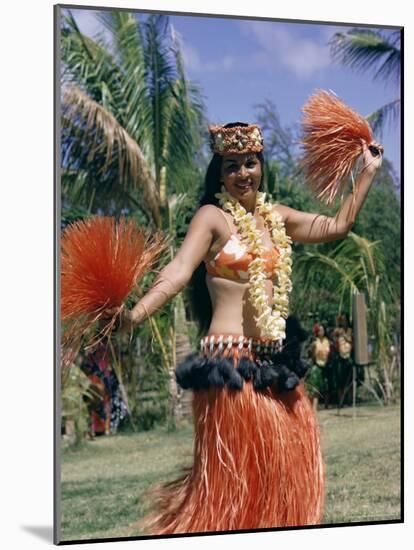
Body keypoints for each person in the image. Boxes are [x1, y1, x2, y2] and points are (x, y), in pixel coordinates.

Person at [105, 122, 383, 534]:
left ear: (261, 166)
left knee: (286, 468)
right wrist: (133, 315)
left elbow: (335, 226)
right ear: (219, 173)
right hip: (230, 363)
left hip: (274, 359)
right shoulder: (212, 217)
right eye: (231, 166)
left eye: (249, 163)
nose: (242, 174)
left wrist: (367, 172)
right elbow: (179, 271)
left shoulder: (278, 218)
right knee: (235, 477)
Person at [306, 323, 331, 410]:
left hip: (326, 365)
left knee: (326, 386)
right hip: (316, 365)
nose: (322, 331)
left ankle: (326, 407)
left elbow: (329, 353)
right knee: (315, 389)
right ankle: (313, 408)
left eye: (323, 330)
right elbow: (311, 355)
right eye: (320, 330)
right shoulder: (314, 342)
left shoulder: (327, 341)